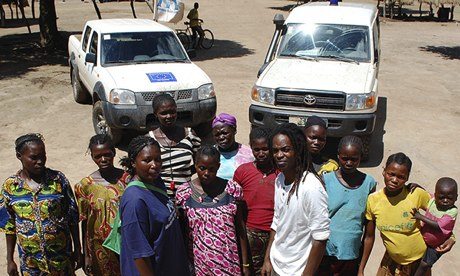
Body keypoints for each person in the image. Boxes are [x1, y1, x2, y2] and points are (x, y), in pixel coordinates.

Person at [359, 152, 456, 276]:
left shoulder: (415, 194)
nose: (394, 180)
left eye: (401, 177)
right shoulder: (373, 200)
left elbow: (444, 213)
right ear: (384, 171)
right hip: (390, 263)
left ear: (407, 177)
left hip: (418, 264)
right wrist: (361, 269)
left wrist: (451, 237)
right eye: (391, 174)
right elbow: (368, 237)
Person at [0, 133, 82, 276]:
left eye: (43, 156)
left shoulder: (58, 180)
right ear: (19, 156)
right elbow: (9, 227)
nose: (40, 161)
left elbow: (72, 218)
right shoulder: (10, 187)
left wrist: (78, 249)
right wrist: (10, 260)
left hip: (61, 260)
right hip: (31, 264)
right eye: (33, 157)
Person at [261, 123, 330, 276]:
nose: (279, 155)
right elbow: (277, 222)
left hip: (298, 270)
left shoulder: (311, 187)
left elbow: (320, 238)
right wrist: (267, 259)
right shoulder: (279, 179)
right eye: (275, 150)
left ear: (297, 150)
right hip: (276, 265)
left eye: (285, 150)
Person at [119, 136, 190, 275]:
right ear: (133, 162)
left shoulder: (155, 181)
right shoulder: (135, 201)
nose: (154, 165)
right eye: (147, 160)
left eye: (158, 159)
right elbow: (140, 254)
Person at [176, 145, 250, 276]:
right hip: (199, 265)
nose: (206, 173)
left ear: (218, 166)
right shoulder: (185, 193)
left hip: (229, 264)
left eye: (212, 169)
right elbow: (182, 231)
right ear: (196, 166)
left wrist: (245, 264)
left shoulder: (231, 189)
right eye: (202, 168)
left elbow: (240, 228)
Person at [317, 135, 377, 275]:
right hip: (324, 254)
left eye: (354, 159)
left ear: (360, 158)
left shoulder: (369, 184)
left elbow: (369, 234)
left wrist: (361, 268)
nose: (349, 163)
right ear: (338, 156)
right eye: (345, 158)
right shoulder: (325, 180)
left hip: (350, 256)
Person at [75, 134, 129, 276]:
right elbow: (85, 222)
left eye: (107, 154)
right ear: (92, 157)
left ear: (114, 152)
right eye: (98, 156)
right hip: (99, 248)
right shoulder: (85, 185)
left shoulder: (127, 179)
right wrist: (86, 255)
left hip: (126, 243)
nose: (103, 159)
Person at [233, 127, 277, 275]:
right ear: (251, 148)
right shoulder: (242, 171)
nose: (261, 154)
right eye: (256, 149)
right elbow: (235, 204)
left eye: (265, 149)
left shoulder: (281, 173)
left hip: (275, 234)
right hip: (250, 234)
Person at [148, 94, 201, 198]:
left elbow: (198, 164)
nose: (169, 116)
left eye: (172, 112)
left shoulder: (190, 135)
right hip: (160, 197)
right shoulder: (150, 140)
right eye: (163, 113)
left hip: (187, 196)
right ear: (155, 114)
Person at [412, 177, 457, 276]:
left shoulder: (452, 211)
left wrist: (420, 217)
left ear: (456, 197)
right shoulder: (433, 201)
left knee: (424, 265)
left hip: (437, 245)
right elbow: (426, 194)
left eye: (450, 198)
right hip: (423, 240)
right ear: (436, 195)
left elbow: (438, 226)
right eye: (441, 197)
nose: (445, 200)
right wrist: (418, 187)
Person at [212, 113, 254, 180]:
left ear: (234, 130)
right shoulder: (209, 154)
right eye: (217, 135)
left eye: (225, 133)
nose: (221, 137)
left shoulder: (249, 155)